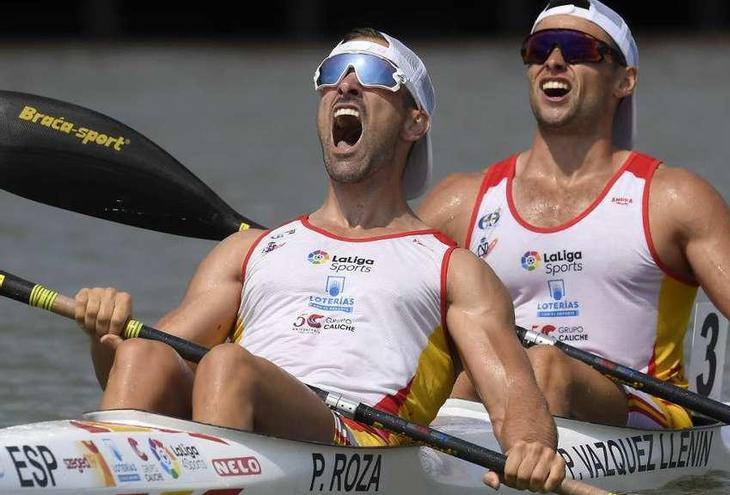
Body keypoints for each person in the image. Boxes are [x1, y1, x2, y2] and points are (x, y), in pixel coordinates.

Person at [76, 29, 567, 492]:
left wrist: (531, 450)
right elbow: (134, 372)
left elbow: (513, 397)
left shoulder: (452, 268)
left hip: (359, 444)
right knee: (143, 351)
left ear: (415, 121)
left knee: (228, 366)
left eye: (374, 73)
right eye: (333, 70)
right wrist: (105, 336)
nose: (347, 84)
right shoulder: (250, 250)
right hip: (236, 410)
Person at [418, 0, 730, 461]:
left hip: (638, 412)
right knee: (476, 368)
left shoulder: (670, 199)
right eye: (539, 48)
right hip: (495, 397)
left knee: (546, 366)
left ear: (624, 80)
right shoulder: (461, 201)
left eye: (577, 48)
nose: (553, 61)